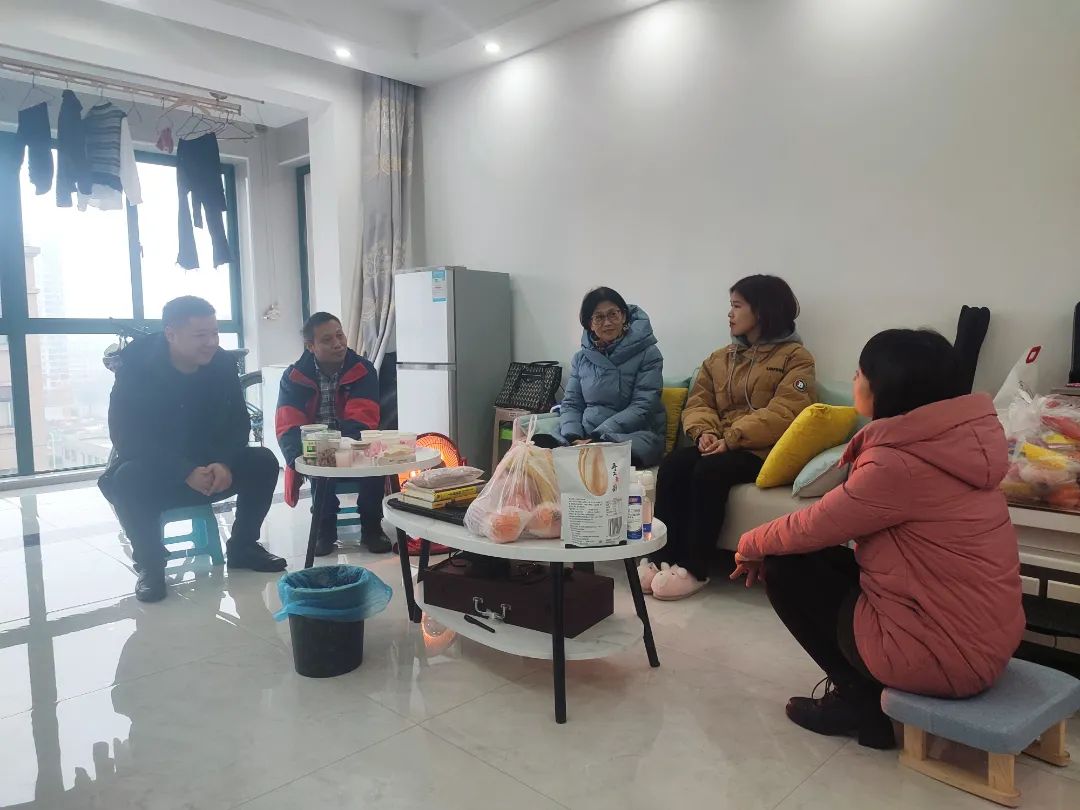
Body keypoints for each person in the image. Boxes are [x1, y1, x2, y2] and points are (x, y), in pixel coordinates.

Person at [731, 329, 1024, 750]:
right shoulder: (959, 444)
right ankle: (865, 697)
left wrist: (749, 545)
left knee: (785, 567)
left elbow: (813, 524)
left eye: (860, 372)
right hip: (983, 640)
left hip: (945, 657)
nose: (854, 378)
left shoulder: (897, 464)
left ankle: (861, 705)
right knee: (811, 556)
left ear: (886, 387)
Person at [98, 296, 286, 603]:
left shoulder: (222, 364)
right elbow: (126, 436)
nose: (211, 342)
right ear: (171, 334)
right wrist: (183, 471)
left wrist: (224, 462)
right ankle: (151, 565)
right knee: (126, 478)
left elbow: (238, 423)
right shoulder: (136, 368)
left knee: (263, 461)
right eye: (201, 335)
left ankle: (243, 547)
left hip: (213, 471)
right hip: (161, 472)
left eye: (215, 333)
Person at [646, 275, 814, 601]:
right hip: (720, 442)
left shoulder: (796, 358)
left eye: (737, 306)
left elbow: (786, 412)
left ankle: (695, 568)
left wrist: (733, 437)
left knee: (709, 472)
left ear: (762, 311)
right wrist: (705, 433)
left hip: (760, 451)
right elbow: (699, 402)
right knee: (675, 464)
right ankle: (660, 558)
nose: (730, 314)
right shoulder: (720, 358)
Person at [276, 312, 391, 555]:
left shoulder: (363, 370)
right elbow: (288, 423)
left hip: (354, 445)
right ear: (311, 346)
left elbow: (363, 418)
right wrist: (298, 458)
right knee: (320, 463)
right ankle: (324, 529)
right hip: (315, 448)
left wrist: (341, 448)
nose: (338, 343)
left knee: (374, 463)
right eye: (327, 340)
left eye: (340, 335)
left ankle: (372, 527)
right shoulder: (294, 377)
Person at [532, 287, 666, 468]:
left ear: (624, 316)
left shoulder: (648, 353)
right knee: (536, 447)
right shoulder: (581, 358)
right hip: (585, 433)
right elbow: (572, 404)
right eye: (599, 317)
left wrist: (598, 436)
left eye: (613, 314)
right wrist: (574, 436)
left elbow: (643, 405)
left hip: (632, 432)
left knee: (611, 453)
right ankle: (575, 449)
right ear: (590, 324)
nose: (607, 323)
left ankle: (588, 451)